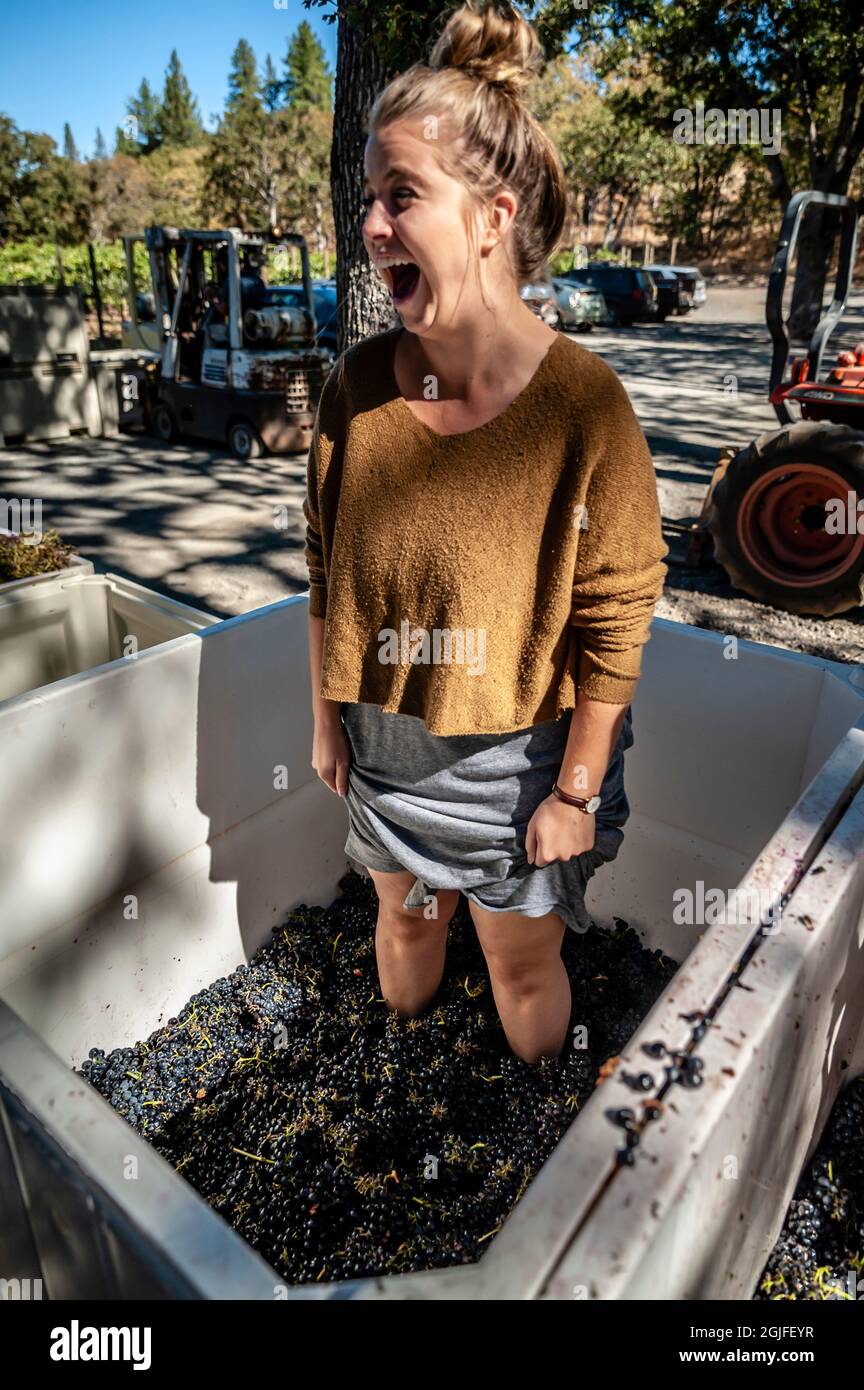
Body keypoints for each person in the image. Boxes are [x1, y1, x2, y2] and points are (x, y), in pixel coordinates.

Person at [303, 0, 668, 1065]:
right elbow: (326, 568)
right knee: (405, 922)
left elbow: (616, 622)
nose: (372, 225)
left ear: (491, 215)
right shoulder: (356, 390)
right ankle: (405, 1083)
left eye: (400, 195)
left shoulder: (585, 407)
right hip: (382, 750)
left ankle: (535, 1124)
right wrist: (326, 723)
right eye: (369, 196)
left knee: (521, 965)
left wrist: (574, 794)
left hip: (523, 776)